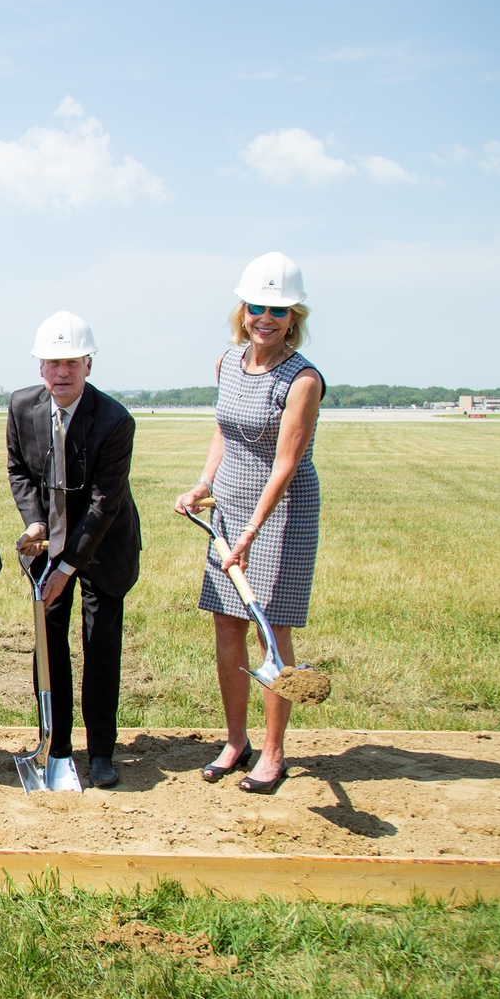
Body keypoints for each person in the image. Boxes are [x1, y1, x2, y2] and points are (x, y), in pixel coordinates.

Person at [173, 252, 324, 794]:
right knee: (226, 622)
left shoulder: (301, 379)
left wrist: (252, 532)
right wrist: (203, 484)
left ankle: (274, 752)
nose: (266, 317)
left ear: (293, 316)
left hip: (280, 514)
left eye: (278, 309)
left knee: (270, 627)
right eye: (257, 306)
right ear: (243, 309)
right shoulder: (227, 363)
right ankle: (236, 741)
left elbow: (285, 464)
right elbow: (223, 432)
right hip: (230, 506)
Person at [6, 311, 142, 789]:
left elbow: (105, 505)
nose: (61, 372)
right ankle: (57, 744)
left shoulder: (114, 421)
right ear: (40, 368)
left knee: (100, 646)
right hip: (50, 540)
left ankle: (101, 751)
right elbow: (19, 471)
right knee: (49, 645)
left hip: (103, 547)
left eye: (71, 363)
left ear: (88, 365)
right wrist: (35, 521)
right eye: (52, 363)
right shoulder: (22, 407)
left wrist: (66, 564)